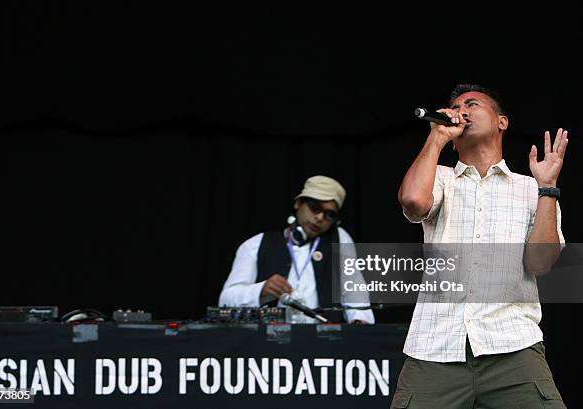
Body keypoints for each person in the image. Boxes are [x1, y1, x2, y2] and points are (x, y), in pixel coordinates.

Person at [392, 84, 568, 408]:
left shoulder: (532, 189)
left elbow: (541, 263)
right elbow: (413, 200)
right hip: (436, 347)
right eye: (456, 106)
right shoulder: (441, 178)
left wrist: (548, 188)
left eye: (472, 104)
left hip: (513, 347)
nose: (462, 111)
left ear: (502, 121)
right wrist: (437, 136)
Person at [219, 175, 375, 324]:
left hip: (323, 344)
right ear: (298, 203)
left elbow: (354, 291)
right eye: (315, 207)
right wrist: (260, 290)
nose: (320, 218)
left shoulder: (340, 240)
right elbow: (225, 300)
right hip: (269, 343)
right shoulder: (255, 244)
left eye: (329, 214)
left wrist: (360, 321)